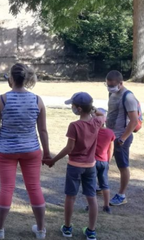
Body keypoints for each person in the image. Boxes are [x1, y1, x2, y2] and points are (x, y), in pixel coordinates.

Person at [0, 63, 50, 239]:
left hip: (5, 149)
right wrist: (46, 152)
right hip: (31, 149)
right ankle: (40, 230)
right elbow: (43, 130)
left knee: (6, 188)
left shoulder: (1, 100)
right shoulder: (37, 100)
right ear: (26, 79)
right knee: (34, 187)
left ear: (11, 78)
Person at [43, 92, 106, 240]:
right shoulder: (97, 122)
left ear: (78, 109)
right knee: (91, 198)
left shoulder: (74, 126)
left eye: (73, 106)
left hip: (74, 166)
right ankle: (91, 230)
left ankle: (67, 228)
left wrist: (53, 160)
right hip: (90, 166)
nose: (71, 108)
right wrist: (93, 109)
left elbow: (69, 148)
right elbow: (102, 114)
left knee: (70, 197)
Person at [104, 70, 139, 206]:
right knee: (103, 162)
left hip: (121, 138)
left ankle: (121, 195)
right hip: (110, 135)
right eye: (108, 85)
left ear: (121, 83)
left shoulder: (128, 97)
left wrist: (122, 138)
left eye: (112, 85)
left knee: (123, 165)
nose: (110, 87)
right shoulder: (112, 93)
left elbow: (134, 121)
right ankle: (102, 187)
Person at [91, 108, 115, 214]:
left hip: (92, 161)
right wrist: (108, 161)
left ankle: (91, 204)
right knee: (105, 184)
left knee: (91, 184)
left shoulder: (92, 132)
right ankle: (106, 205)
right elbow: (111, 149)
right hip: (104, 161)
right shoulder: (110, 133)